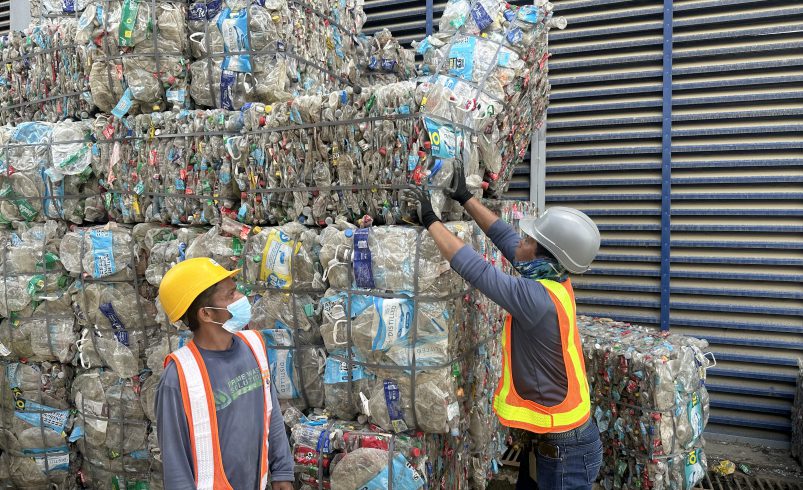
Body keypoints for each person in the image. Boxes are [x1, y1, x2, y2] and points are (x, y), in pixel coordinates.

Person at [407, 166, 603, 490]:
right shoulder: (552, 278)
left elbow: (479, 271)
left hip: (566, 454)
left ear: (545, 255)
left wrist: (431, 221)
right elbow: (506, 239)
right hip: (554, 443)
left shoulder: (538, 299)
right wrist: (465, 198)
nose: (520, 240)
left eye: (529, 239)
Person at [155, 257, 294, 490]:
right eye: (230, 295)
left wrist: (282, 471)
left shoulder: (254, 346)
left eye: (236, 290)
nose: (241, 298)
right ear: (206, 314)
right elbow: (175, 462)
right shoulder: (179, 376)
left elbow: (271, 413)